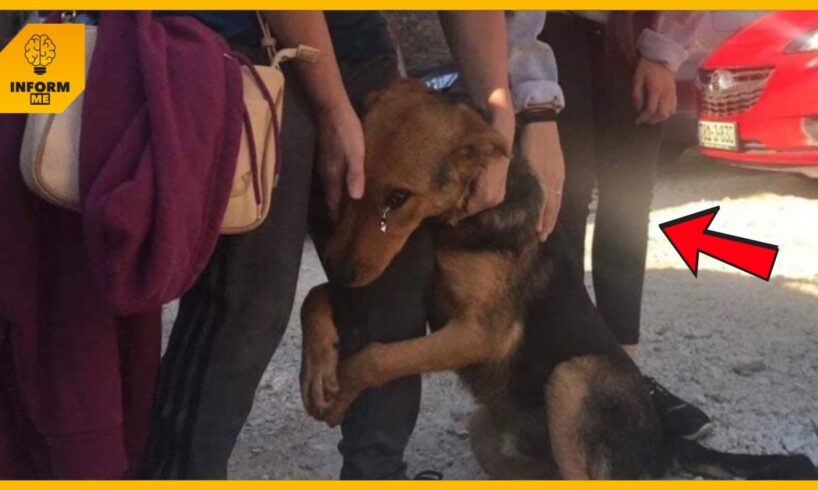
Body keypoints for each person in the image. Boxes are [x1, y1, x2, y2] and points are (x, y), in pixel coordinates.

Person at [144, 11, 517, 479]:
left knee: (392, 299)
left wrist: (500, 116)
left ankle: (376, 475)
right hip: (244, 40)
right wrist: (334, 107)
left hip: (357, 45)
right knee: (250, 302)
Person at [507, 10, 714, 440]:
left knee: (627, 206)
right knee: (557, 209)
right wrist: (533, 93)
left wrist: (663, 52)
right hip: (547, 30)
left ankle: (623, 383)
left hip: (636, 32)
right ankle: (551, 382)